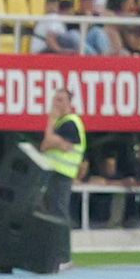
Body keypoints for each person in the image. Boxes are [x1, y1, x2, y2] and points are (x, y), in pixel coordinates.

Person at [39, 89, 84, 264]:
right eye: (55, 100)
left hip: (62, 174)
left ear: (69, 103)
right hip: (55, 173)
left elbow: (49, 142)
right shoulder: (62, 123)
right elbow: (45, 145)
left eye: (60, 100)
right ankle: (55, 253)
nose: (56, 104)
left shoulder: (69, 123)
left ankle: (63, 256)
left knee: (59, 213)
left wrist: (50, 121)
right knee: (53, 213)